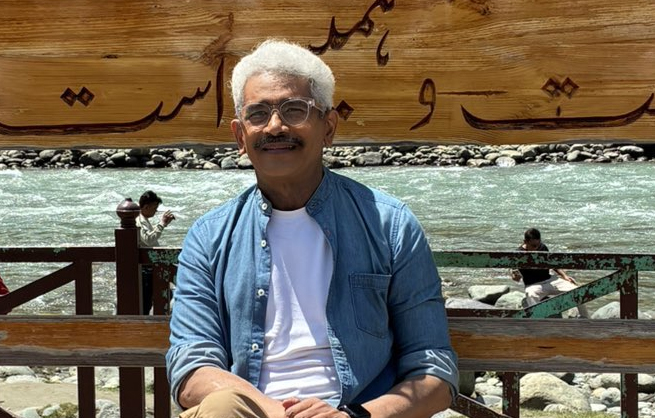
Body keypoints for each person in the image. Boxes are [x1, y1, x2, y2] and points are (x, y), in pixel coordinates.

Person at [167, 39, 458, 418]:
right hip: (249, 413)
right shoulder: (209, 238)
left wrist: (354, 416)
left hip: (357, 412)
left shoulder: (390, 225)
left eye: (294, 110)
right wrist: (276, 412)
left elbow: (434, 369)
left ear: (328, 127)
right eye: (258, 114)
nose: (275, 126)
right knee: (222, 407)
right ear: (240, 136)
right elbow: (190, 366)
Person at [511, 228, 589, 318]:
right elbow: (516, 278)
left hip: (549, 279)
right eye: (533, 246)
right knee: (531, 295)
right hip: (533, 284)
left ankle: (585, 319)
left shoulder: (542, 247)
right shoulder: (518, 254)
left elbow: (552, 263)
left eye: (538, 245)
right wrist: (516, 276)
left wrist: (565, 276)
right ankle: (537, 322)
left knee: (577, 290)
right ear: (525, 242)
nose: (536, 249)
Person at [136, 190, 175, 314]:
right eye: (154, 208)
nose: (155, 211)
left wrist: (163, 224)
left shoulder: (143, 220)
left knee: (165, 293)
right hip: (145, 269)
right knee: (147, 300)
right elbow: (148, 240)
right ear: (146, 207)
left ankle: (156, 317)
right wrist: (162, 223)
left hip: (148, 267)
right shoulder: (139, 221)